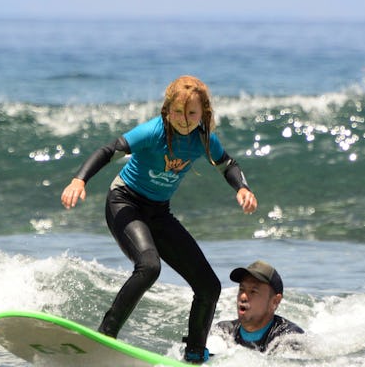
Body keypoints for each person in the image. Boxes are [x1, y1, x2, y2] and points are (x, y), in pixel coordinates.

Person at [60, 75, 258, 364]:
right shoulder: (152, 132)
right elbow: (109, 149)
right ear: (167, 110)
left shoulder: (203, 139)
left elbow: (228, 164)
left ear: (203, 113)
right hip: (124, 202)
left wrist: (242, 187)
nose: (184, 119)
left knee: (208, 286)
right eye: (178, 112)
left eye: (192, 113)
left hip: (158, 212)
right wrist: (80, 180)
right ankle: (106, 334)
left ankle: (193, 355)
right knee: (149, 266)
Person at [215, 260, 304, 353]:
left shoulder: (289, 338)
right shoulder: (223, 331)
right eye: (241, 289)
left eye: (253, 291)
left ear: (275, 301)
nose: (243, 297)